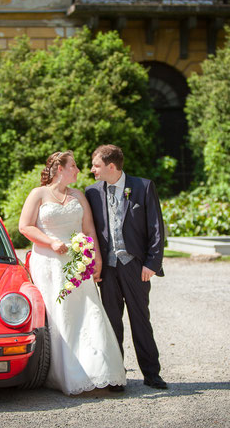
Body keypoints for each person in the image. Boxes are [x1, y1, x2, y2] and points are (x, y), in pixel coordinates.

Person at [19, 150, 127, 395]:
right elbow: (24, 226)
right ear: (60, 169)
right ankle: (62, 373)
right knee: (59, 314)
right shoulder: (38, 194)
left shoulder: (79, 195)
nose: (79, 170)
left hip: (78, 262)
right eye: (74, 166)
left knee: (90, 310)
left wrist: (96, 258)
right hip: (48, 262)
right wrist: (50, 242)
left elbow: (88, 229)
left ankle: (100, 370)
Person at [84, 144, 167, 390]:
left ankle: (152, 374)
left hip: (135, 266)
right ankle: (116, 375)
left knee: (141, 320)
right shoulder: (91, 192)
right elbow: (89, 231)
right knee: (111, 322)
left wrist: (152, 263)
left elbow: (156, 227)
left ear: (111, 166)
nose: (92, 170)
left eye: (96, 165)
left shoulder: (143, 187)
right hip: (107, 269)